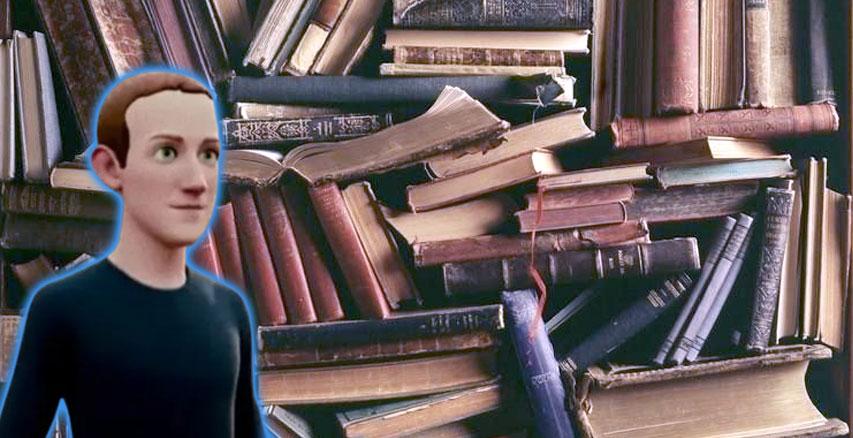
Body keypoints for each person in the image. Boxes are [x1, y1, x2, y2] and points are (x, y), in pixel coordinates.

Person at [0, 69, 265, 437]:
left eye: (208, 154)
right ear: (110, 168)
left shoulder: (229, 309)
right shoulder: (61, 309)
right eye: (167, 152)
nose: (196, 180)